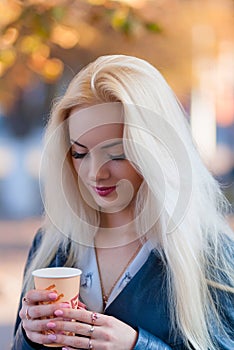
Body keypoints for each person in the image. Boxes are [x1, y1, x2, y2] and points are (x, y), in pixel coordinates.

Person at [12, 55, 234, 350]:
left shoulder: (212, 254)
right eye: (79, 153)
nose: (95, 173)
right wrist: (30, 336)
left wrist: (137, 345)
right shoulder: (53, 246)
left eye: (116, 153)